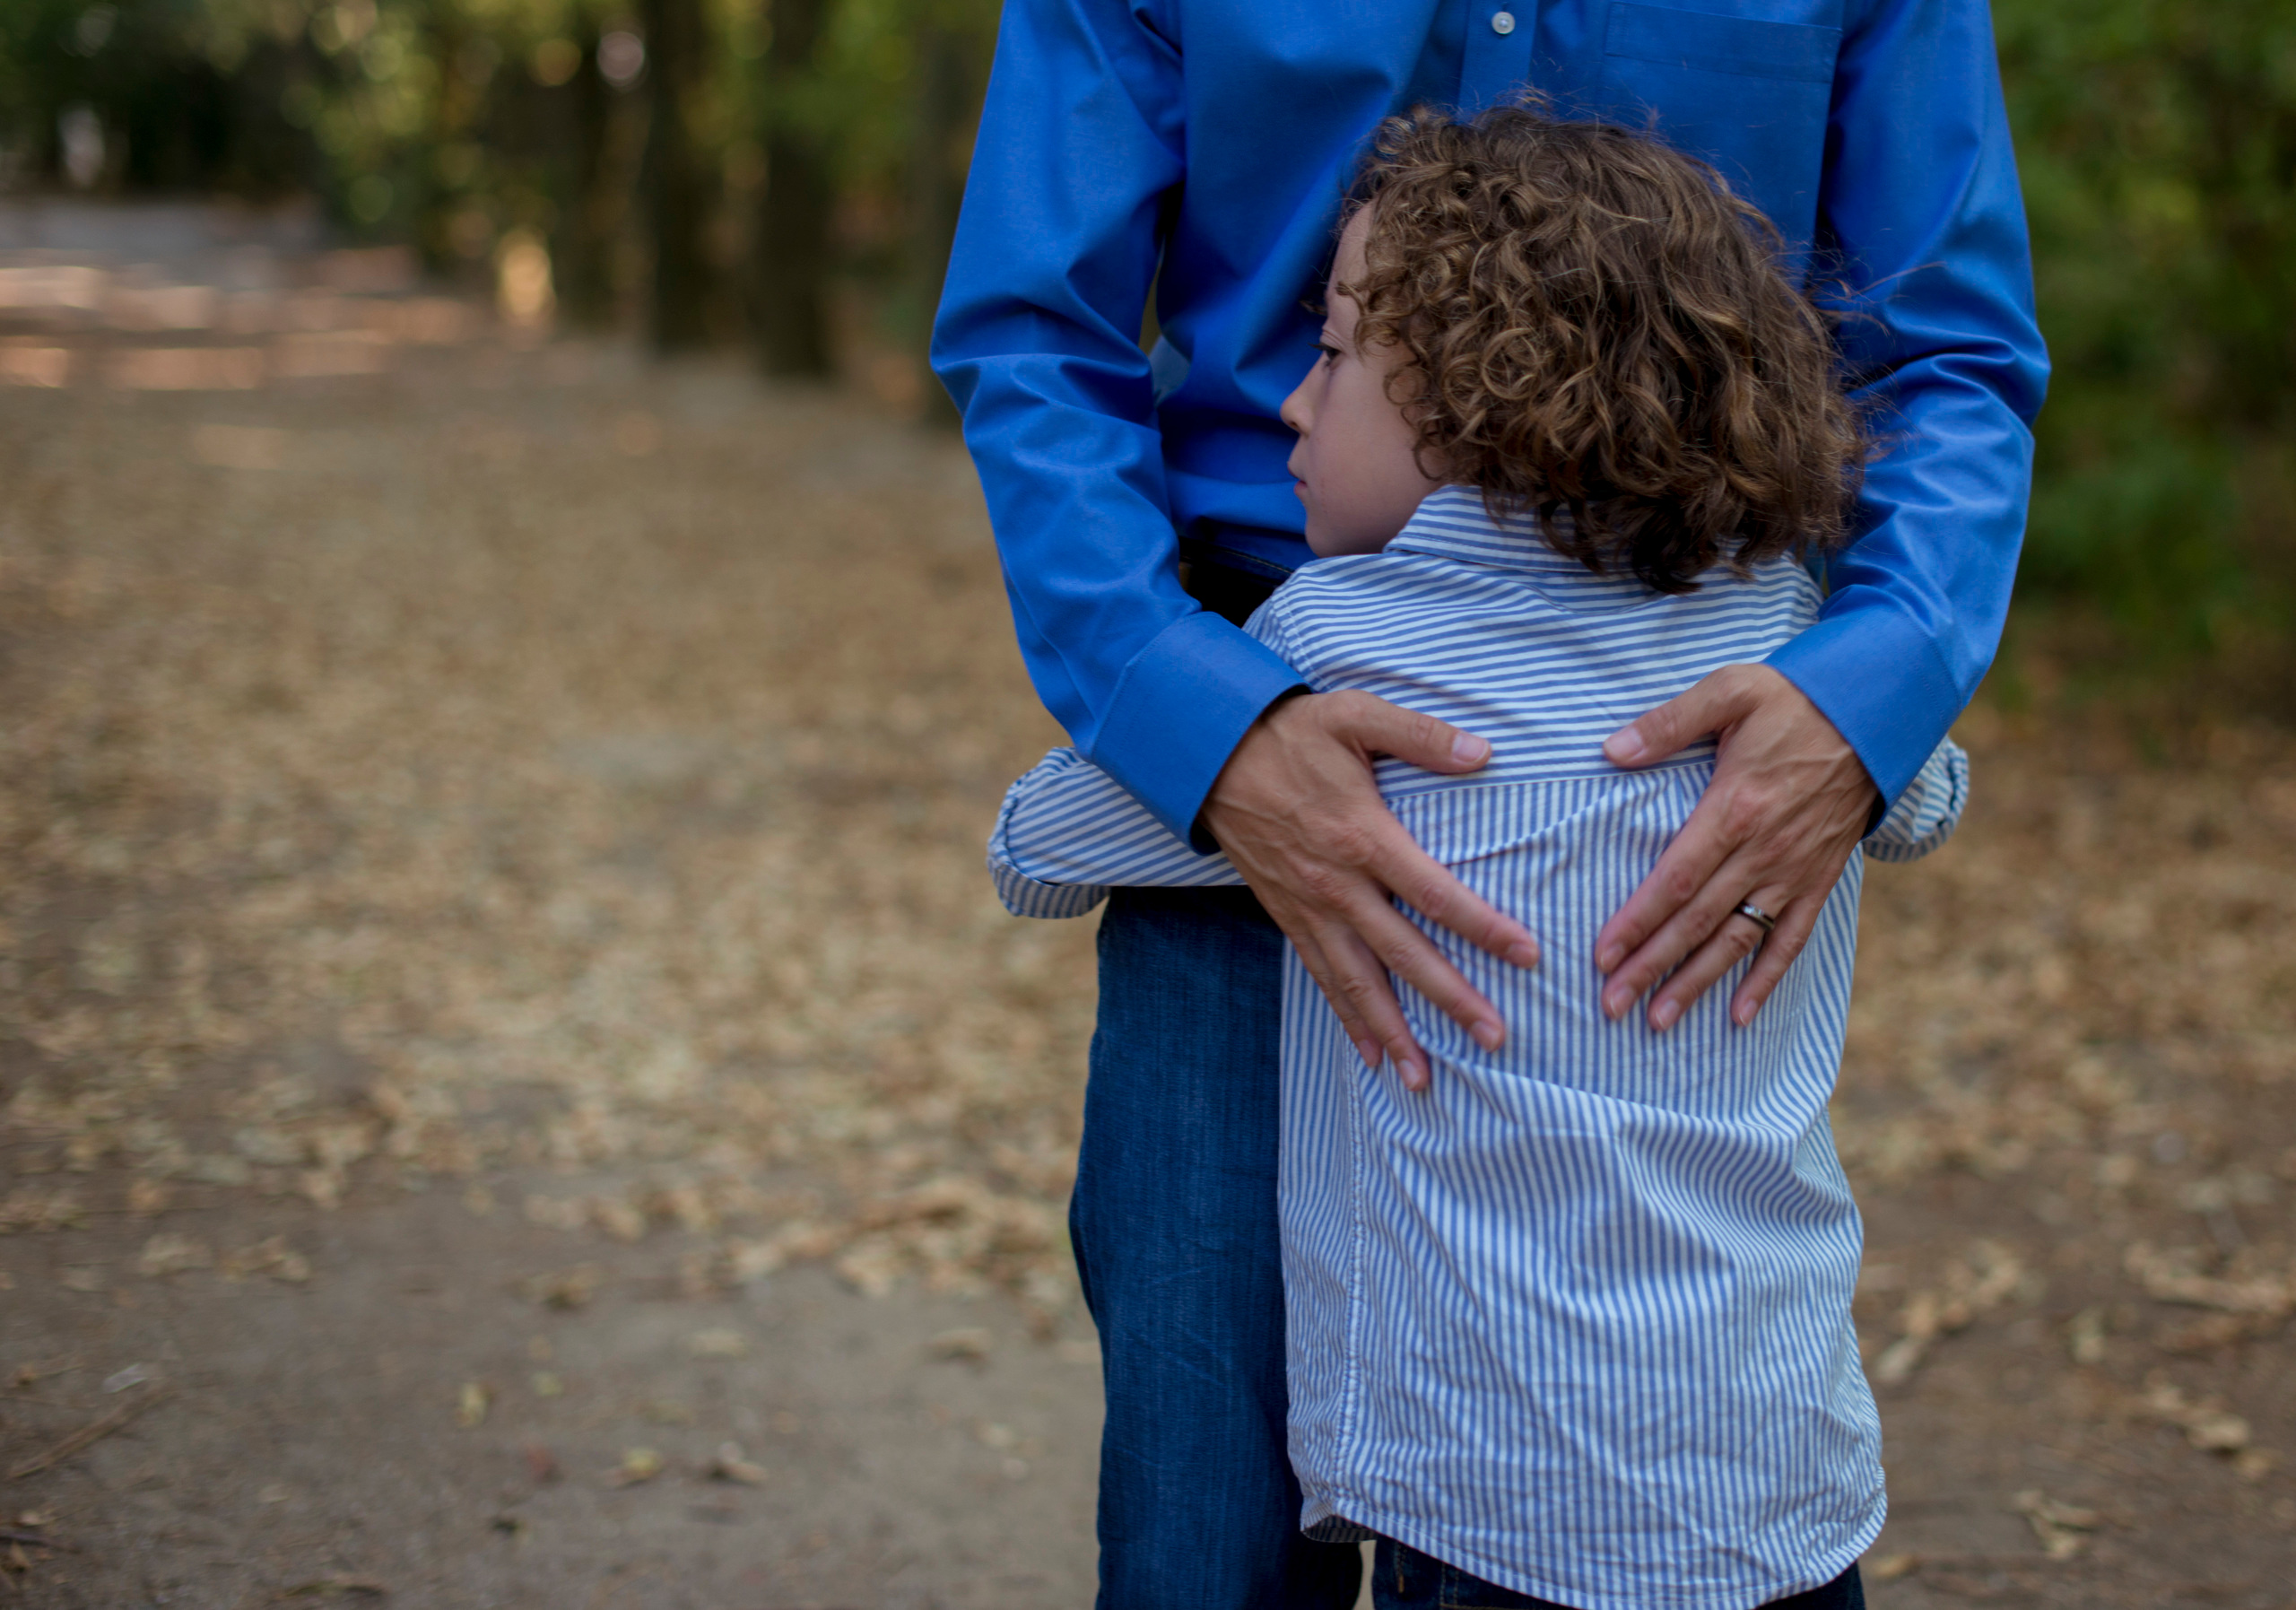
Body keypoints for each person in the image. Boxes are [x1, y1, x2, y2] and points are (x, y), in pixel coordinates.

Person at [933, 1, 2045, 1602]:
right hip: (1254, 693)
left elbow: (1952, 351)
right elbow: (1039, 329)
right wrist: (1208, 735)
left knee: (1621, 1420)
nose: (1315, 383)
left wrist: (1859, 705)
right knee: (1208, 1517)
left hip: (1728, 704)